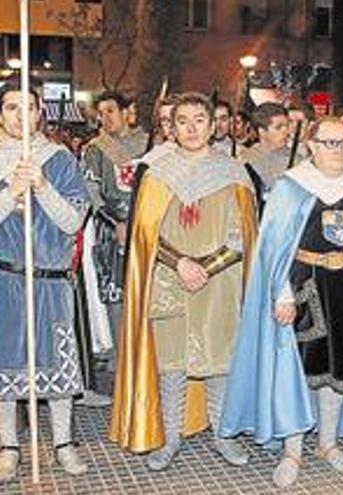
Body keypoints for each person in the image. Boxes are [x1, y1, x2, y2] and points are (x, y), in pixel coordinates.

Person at [219, 116, 343, 488]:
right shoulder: (292, 187)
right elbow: (275, 248)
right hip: (306, 290)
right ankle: (293, 450)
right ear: (311, 146)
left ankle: (327, 444)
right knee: (298, 371)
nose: (338, 151)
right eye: (329, 143)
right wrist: (281, 293)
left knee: (340, 369)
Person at [109, 92, 257, 471]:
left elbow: (243, 236)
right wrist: (182, 264)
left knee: (219, 362)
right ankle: (170, 437)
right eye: (182, 121)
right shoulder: (157, 174)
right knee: (171, 366)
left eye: (199, 120)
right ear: (171, 128)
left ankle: (223, 434)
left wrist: (206, 266)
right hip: (168, 282)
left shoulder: (235, 173)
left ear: (213, 125)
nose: (191, 128)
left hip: (219, 284)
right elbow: (146, 237)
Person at [0, 78, 89, 481]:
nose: (20, 115)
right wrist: (9, 194)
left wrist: (43, 187)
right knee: (5, 367)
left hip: (51, 281)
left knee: (59, 371)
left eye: (28, 107)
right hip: (6, 281)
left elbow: (74, 219)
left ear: (40, 113)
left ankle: (63, 443)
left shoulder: (61, 159)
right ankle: (10, 447)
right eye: (11, 107)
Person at [82, 91, 148, 377]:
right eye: (101, 113)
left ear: (126, 112)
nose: (105, 118)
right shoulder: (95, 149)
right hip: (111, 230)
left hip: (146, 227)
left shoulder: (149, 143)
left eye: (110, 111)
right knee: (116, 295)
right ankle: (123, 364)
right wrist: (114, 222)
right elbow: (91, 191)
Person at [239, 102, 291, 213]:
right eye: (279, 127)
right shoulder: (243, 159)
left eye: (287, 126)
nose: (286, 132)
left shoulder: (298, 161)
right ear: (262, 132)